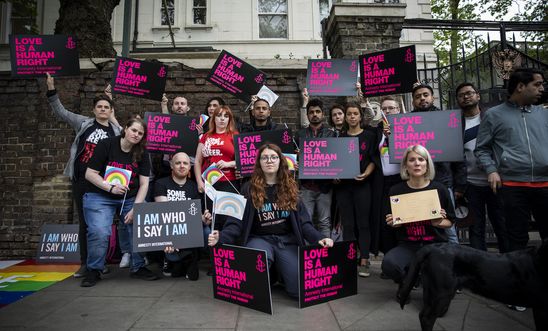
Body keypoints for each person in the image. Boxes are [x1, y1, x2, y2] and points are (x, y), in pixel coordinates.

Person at [208, 144, 334, 298]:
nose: (269, 161)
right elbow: (236, 221)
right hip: (259, 240)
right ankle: (270, 274)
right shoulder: (248, 188)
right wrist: (221, 237)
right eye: (264, 157)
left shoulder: (290, 188)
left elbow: (304, 223)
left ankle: (279, 274)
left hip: (286, 241)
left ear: (280, 161)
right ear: (259, 163)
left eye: (274, 157)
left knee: (298, 291)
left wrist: (320, 238)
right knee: (256, 284)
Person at [46, 73, 122, 278]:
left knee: (102, 225)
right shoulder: (84, 123)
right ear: (94, 110)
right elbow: (61, 112)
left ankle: (99, 263)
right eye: (100, 107)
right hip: (81, 180)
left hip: (103, 182)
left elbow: (127, 138)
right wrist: (52, 89)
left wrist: (112, 105)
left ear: (110, 110)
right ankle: (85, 263)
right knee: (85, 223)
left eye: (106, 107)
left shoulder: (115, 131)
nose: (103, 110)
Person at [475, 68, 547, 252]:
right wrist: (491, 170)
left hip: (545, 184)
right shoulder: (493, 115)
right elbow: (481, 149)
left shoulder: (543, 113)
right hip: (513, 187)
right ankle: (517, 280)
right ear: (520, 86)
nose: (542, 89)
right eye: (537, 84)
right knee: (516, 239)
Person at [81, 117, 158, 287]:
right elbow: (90, 174)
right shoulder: (106, 144)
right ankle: (94, 270)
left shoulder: (142, 153)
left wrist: (136, 207)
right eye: (134, 130)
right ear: (125, 129)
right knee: (100, 231)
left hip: (130, 197)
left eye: (140, 133)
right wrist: (110, 188)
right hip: (100, 195)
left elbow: (145, 183)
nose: (136, 135)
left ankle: (138, 267)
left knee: (139, 224)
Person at [381, 145, 455, 283]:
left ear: (427, 164)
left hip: (435, 244)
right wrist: (394, 223)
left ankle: (428, 280)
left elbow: (450, 221)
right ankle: (407, 284)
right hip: (408, 244)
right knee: (389, 265)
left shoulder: (440, 189)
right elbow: (392, 222)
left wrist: (438, 222)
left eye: (421, 159)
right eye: (412, 160)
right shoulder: (396, 190)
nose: (416, 163)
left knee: (439, 279)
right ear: (405, 165)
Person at [456, 82, 508, 252]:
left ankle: (508, 260)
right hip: (470, 184)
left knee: (501, 223)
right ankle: (479, 264)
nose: (466, 96)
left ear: (478, 95)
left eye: (469, 93)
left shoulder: (491, 118)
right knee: (475, 228)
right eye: (461, 94)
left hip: (496, 181)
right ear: (457, 100)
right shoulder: (455, 124)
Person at [411, 84, 466, 244]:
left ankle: (454, 261)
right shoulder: (406, 121)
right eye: (418, 96)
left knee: (448, 228)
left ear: (432, 97)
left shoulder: (446, 119)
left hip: (443, 181)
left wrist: (460, 185)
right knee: (421, 227)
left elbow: (458, 152)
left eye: (425, 94)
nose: (422, 98)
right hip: (418, 183)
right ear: (413, 101)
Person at [154, 152, 212, 279]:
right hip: (169, 228)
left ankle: (191, 258)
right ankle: (175, 259)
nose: (182, 166)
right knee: (173, 262)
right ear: (171, 165)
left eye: (185, 163)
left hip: (189, 230)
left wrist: (204, 219)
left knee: (207, 231)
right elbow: (164, 212)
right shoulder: (161, 183)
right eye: (178, 163)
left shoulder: (193, 187)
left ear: (190, 167)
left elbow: (195, 214)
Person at [336, 102, 377, 277]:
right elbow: (334, 162)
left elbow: (374, 160)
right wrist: (335, 175)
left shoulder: (369, 136)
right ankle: (349, 258)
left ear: (360, 116)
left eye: (355, 114)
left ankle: (365, 260)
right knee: (348, 224)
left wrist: (366, 174)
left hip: (362, 185)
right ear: (345, 117)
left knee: (363, 223)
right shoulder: (340, 138)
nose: (352, 117)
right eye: (349, 114)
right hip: (344, 187)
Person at [194, 105, 240, 230]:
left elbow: (244, 160)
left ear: (229, 119)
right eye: (219, 116)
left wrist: (228, 164)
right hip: (209, 184)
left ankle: (227, 247)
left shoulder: (234, 135)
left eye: (226, 116)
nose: (222, 119)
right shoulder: (206, 136)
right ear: (213, 119)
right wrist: (199, 182)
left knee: (229, 220)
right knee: (212, 220)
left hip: (228, 182)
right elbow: (198, 161)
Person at [295, 98, 335, 238]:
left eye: (318, 111)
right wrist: (296, 161)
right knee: (305, 221)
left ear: (323, 114)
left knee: (325, 222)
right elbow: (293, 159)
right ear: (307, 115)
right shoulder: (300, 135)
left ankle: (327, 254)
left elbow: (336, 158)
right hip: (306, 185)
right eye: (311, 112)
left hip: (325, 186)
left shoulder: (332, 134)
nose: (315, 114)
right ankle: (307, 254)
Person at [377, 96, 406, 254]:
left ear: (398, 110)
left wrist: (392, 137)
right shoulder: (378, 130)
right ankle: (390, 258)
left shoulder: (407, 128)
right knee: (386, 220)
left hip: (402, 181)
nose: (387, 111)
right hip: (385, 183)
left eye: (391, 108)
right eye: (385, 108)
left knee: (402, 219)